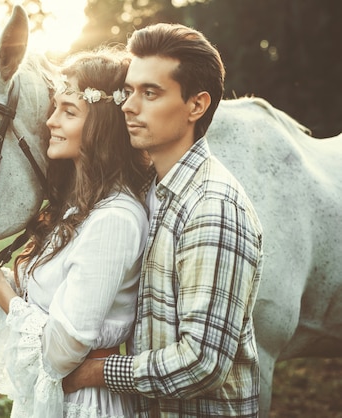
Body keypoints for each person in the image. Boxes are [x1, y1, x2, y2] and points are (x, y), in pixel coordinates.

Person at [62, 23, 265, 417]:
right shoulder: (155, 191)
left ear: (196, 105)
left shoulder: (213, 208)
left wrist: (97, 371)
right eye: (129, 90)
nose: (127, 106)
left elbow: (202, 364)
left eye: (150, 93)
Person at [0, 48, 150, 417]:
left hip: (84, 405)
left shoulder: (115, 219)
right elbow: (50, 305)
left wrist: (1, 293)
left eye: (69, 111)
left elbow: (63, 351)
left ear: (102, 125)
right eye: (55, 108)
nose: (50, 121)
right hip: (51, 399)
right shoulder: (77, 207)